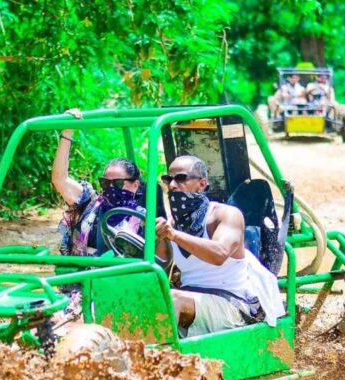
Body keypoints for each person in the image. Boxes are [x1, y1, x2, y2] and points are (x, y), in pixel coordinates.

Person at [155, 155, 285, 338]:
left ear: (202, 184)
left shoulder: (226, 215)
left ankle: (157, 363)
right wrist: (156, 238)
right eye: (168, 179)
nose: (172, 186)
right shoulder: (172, 223)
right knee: (147, 298)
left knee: (171, 300)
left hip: (232, 303)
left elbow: (219, 254)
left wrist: (174, 235)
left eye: (181, 178)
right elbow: (159, 264)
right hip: (193, 301)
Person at [52, 109, 145, 257]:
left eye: (119, 183)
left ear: (135, 185)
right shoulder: (90, 204)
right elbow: (60, 180)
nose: (112, 188)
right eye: (106, 183)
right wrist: (67, 132)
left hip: (118, 278)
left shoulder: (143, 218)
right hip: (81, 276)